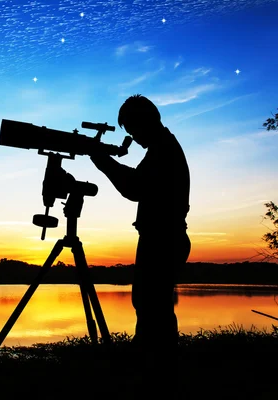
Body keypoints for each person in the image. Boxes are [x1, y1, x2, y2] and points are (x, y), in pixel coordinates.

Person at [89, 94, 191, 354]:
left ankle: (155, 368)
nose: (133, 137)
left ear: (147, 121)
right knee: (151, 306)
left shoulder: (164, 150)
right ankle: (153, 363)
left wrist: (102, 161)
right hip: (161, 237)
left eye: (134, 129)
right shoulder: (162, 147)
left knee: (152, 307)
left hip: (163, 240)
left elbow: (134, 187)